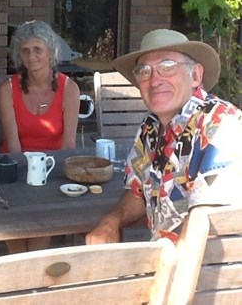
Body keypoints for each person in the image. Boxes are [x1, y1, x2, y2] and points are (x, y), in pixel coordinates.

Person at [86, 29, 242, 245]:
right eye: (144, 71)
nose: (154, 80)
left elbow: (207, 223)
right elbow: (137, 191)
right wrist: (111, 221)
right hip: (167, 264)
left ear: (195, 75)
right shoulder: (150, 128)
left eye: (167, 67)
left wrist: (168, 277)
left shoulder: (219, 124)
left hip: (210, 272)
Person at [0, 20, 80, 252]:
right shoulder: (8, 89)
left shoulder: (69, 88)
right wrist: (28, 180)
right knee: (17, 221)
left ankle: (34, 275)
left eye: (37, 49)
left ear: (51, 52)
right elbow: (12, 144)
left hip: (53, 173)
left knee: (40, 223)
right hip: (16, 171)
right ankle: (19, 273)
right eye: (25, 50)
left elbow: (68, 146)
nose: (31, 56)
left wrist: (45, 181)